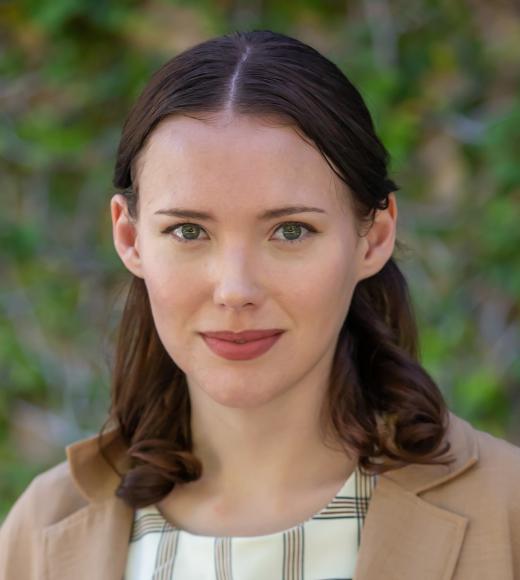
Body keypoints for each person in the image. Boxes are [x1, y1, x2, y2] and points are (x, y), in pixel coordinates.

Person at [1, 29, 519, 580]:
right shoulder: (42, 532)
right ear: (129, 239)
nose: (235, 289)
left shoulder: (505, 510)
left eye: (290, 231)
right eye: (187, 231)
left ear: (373, 236)